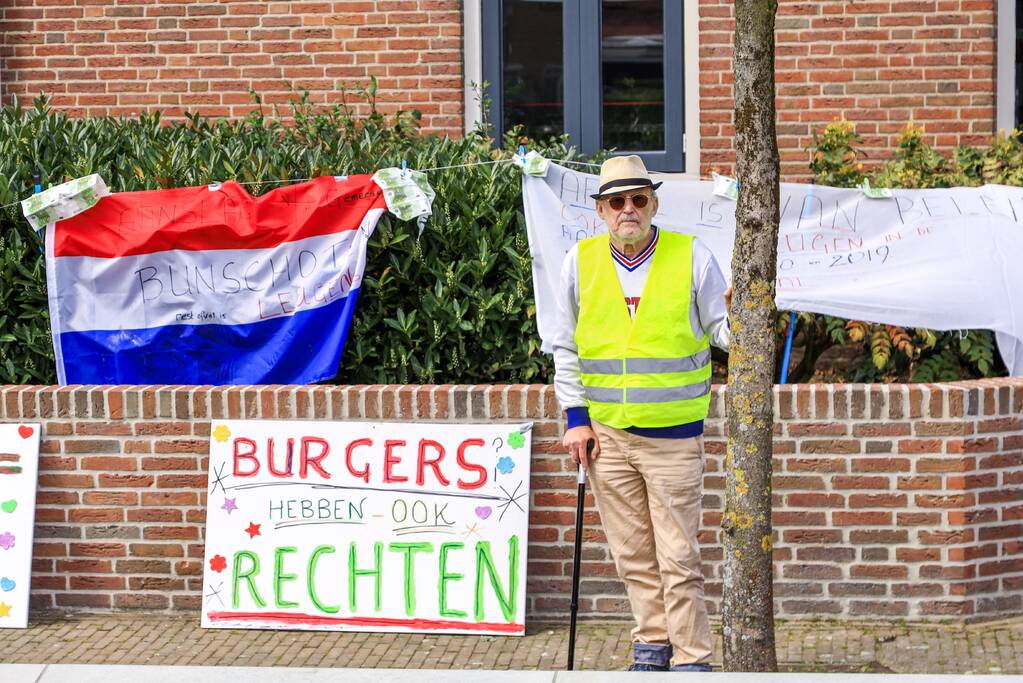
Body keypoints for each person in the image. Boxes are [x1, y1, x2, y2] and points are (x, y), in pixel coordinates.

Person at [553, 155, 732, 673]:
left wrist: (745, 313)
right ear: (601, 210)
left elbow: (722, 333)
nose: (628, 209)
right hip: (607, 437)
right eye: (616, 201)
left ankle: (693, 660)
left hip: (674, 440)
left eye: (638, 199)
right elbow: (564, 347)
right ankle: (651, 648)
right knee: (633, 556)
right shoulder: (578, 262)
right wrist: (575, 421)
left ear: (653, 203)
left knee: (679, 558)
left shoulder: (692, 256)